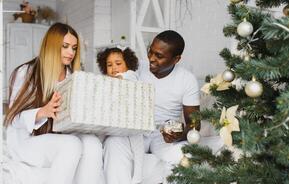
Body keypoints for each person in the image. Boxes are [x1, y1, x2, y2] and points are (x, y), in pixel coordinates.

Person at [4, 22, 105, 184]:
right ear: (52, 45)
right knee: (71, 145)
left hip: (58, 137)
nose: (70, 52)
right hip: (27, 142)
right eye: (65, 46)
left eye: (74, 48)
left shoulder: (72, 77)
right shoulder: (27, 72)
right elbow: (13, 118)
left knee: (92, 143)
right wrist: (42, 112)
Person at [103, 30, 200, 184]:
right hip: (134, 130)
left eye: (159, 56)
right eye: (150, 52)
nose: (151, 59)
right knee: (112, 143)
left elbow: (194, 124)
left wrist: (178, 134)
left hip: (162, 136)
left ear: (176, 59)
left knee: (186, 155)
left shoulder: (187, 80)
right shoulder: (137, 67)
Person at [97, 46, 144, 183]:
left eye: (118, 63)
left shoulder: (131, 76)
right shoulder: (106, 81)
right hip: (113, 125)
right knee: (105, 138)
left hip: (132, 122)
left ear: (127, 65)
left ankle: (138, 171)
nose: (114, 68)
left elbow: (128, 77)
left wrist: (118, 79)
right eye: (109, 65)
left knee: (137, 135)